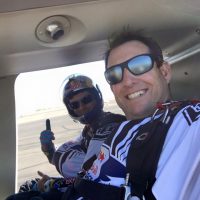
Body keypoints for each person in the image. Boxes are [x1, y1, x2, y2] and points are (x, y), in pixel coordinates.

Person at [64, 30, 200, 200]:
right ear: (112, 88)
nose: (128, 81)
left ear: (164, 71)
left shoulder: (189, 121)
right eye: (114, 75)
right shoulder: (114, 134)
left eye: (140, 65)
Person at [6, 74, 126, 200]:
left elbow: (89, 178)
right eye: (75, 105)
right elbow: (57, 158)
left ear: (97, 98)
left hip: (96, 192)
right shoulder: (88, 131)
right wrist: (48, 148)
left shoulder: (110, 126)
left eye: (86, 100)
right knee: (30, 185)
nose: (82, 107)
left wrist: (52, 184)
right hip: (85, 188)